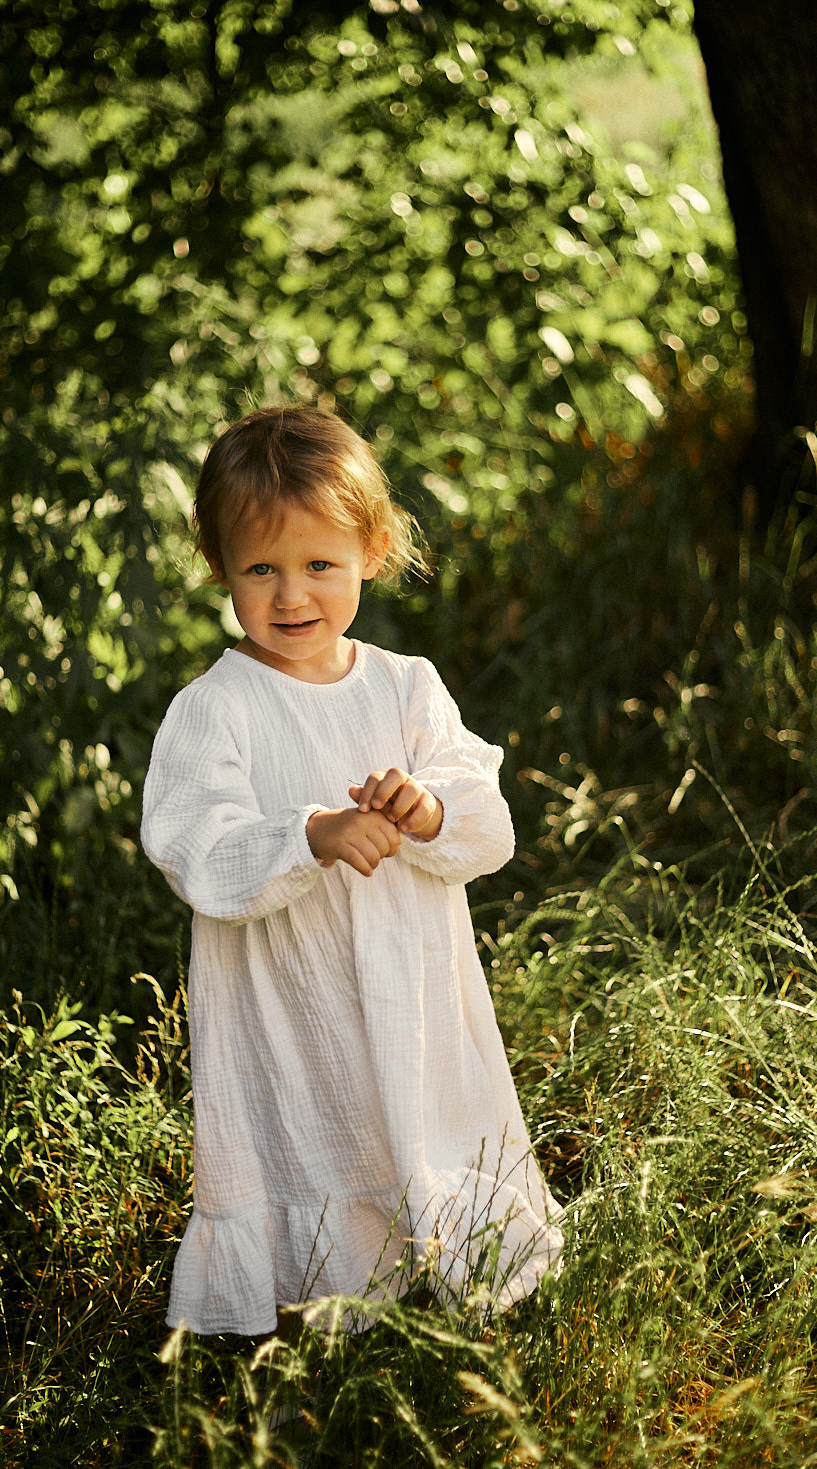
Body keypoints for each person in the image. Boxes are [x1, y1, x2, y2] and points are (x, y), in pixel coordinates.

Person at [141, 404, 563, 1337]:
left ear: (373, 549)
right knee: (319, 1128)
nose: (292, 597)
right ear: (219, 567)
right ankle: (315, 1312)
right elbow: (193, 848)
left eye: (319, 565)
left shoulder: (405, 685)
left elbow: (487, 825)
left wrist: (429, 808)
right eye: (262, 570)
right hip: (293, 1004)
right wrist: (311, 833)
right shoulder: (214, 709)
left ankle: (463, 1278)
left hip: (411, 986)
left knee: (424, 1116)